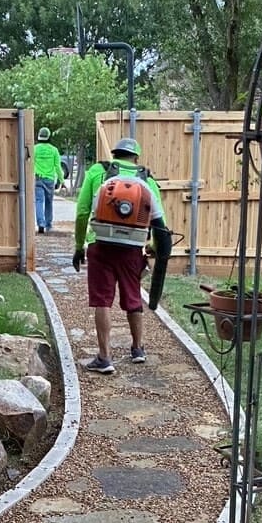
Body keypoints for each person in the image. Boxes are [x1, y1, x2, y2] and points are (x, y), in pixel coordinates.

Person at [72, 137, 168, 374]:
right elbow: (159, 223)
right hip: (132, 248)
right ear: (136, 157)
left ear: (115, 154)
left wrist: (78, 245)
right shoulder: (146, 180)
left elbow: (83, 212)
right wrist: (153, 249)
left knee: (102, 299)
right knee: (132, 296)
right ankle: (137, 349)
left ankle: (104, 358)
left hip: (101, 245)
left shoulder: (98, 172)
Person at [32, 127, 64, 233]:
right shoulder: (54, 150)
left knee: (39, 201)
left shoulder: (34, 149)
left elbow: (30, 164)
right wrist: (61, 180)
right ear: (49, 136)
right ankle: (48, 224)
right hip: (49, 179)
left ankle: (40, 223)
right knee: (49, 202)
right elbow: (58, 167)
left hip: (37, 178)